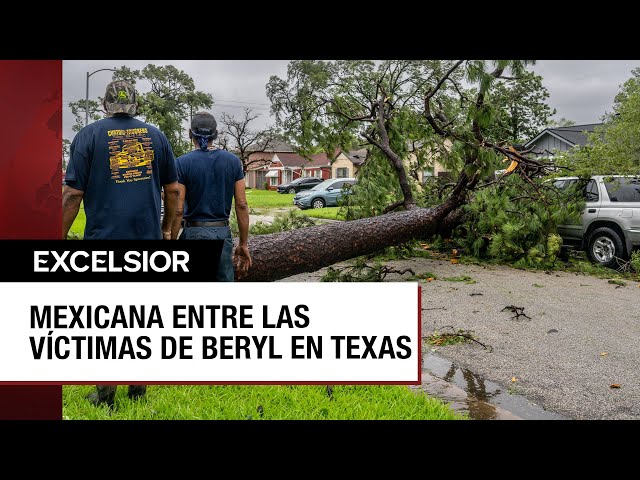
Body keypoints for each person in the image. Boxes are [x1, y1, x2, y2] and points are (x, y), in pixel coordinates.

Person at [62, 80, 182, 408]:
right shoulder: (156, 137)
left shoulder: (87, 137)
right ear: (136, 105)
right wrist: (166, 231)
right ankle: (137, 391)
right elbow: (173, 190)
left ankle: (105, 397)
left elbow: (73, 194)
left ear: (105, 104)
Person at [172, 111, 251, 280]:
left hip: (193, 232)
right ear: (215, 135)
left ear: (190, 134)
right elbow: (242, 204)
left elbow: (178, 210)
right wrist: (243, 244)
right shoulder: (233, 161)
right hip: (221, 234)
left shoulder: (182, 163)